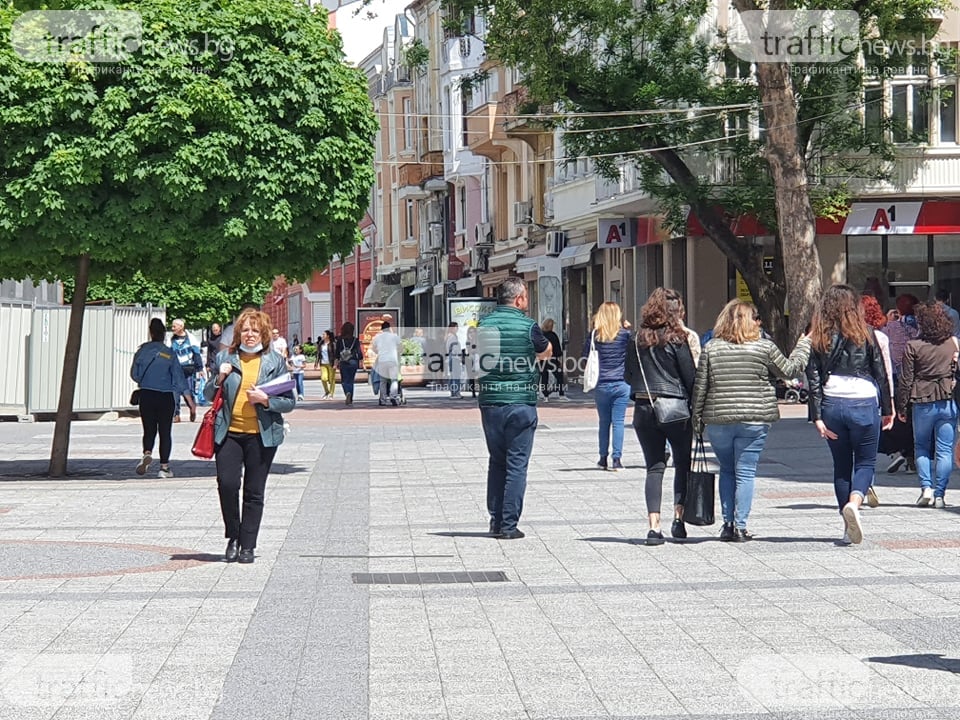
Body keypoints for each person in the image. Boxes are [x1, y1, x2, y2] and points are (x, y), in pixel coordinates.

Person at [692, 299, 811, 542]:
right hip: (755, 418)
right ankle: (741, 525)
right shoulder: (763, 347)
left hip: (718, 418)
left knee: (726, 469)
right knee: (745, 472)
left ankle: (727, 523)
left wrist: (697, 421)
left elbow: (700, 387)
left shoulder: (712, 348)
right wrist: (803, 345)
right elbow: (789, 370)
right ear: (753, 322)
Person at [204, 309, 295, 564]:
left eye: (255, 330)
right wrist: (219, 378)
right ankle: (233, 536)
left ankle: (248, 545)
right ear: (238, 333)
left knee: (254, 491)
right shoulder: (226, 357)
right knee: (228, 484)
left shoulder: (274, 361)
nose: (250, 334)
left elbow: (289, 401)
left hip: (262, 436)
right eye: (245, 330)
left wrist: (266, 400)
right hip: (229, 433)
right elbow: (208, 394)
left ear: (264, 334)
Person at [806, 285, 894, 545]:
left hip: (833, 402)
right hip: (864, 400)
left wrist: (817, 417)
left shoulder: (818, 336)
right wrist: (889, 410)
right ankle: (855, 502)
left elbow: (812, 379)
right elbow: (881, 373)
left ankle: (847, 529)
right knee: (865, 462)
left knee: (841, 466)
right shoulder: (866, 333)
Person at [478, 277, 551, 539]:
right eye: (526, 297)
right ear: (518, 299)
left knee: (497, 461)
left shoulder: (483, 325)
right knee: (517, 464)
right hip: (520, 402)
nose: (527, 302)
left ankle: (496, 520)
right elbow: (546, 352)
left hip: (491, 402)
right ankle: (509, 525)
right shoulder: (528, 326)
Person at [624, 288, 697, 545]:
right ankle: (678, 519)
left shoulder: (636, 339)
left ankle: (654, 528)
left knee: (654, 467)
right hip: (675, 408)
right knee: (682, 463)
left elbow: (628, 376)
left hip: (644, 408)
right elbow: (691, 378)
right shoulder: (677, 338)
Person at [896, 301, 958, 509]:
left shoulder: (913, 346)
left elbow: (905, 379)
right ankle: (940, 494)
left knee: (921, 446)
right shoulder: (952, 343)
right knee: (945, 449)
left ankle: (926, 488)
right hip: (947, 399)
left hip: (922, 399)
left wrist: (901, 406)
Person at [130, 318, 188, 479]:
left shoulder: (141, 351)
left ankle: (147, 452)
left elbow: (134, 374)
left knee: (148, 429)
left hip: (147, 394)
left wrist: (146, 379)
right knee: (165, 432)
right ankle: (164, 467)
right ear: (164, 334)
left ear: (151, 332)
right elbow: (178, 377)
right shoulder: (169, 353)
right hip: (165, 396)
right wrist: (190, 401)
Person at [581, 302, 632, 471]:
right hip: (621, 383)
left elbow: (584, 356)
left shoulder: (595, 335)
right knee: (618, 422)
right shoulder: (625, 335)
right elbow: (633, 352)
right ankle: (616, 460)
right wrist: (629, 330)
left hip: (601, 384)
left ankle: (602, 458)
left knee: (604, 422)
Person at [861, 294, 895, 508]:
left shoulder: (840, 336)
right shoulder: (880, 338)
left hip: (844, 396)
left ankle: (860, 485)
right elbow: (887, 372)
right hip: (872, 395)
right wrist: (889, 402)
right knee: (868, 445)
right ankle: (866, 481)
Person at [882, 294, 920, 473]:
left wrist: (889, 321)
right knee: (914, 420)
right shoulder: (919, 329)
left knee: (897, 418)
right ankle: (911, 456)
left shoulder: (891, 328)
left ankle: (899, 451)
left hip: (896, 378)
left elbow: (882, 347)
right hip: (917, 379)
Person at [170, 318, 201, 423]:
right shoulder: (171, 340)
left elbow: (197, 354)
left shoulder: (191, 339)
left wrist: (200, 368)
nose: (172, 328)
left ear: (181, 327)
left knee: (187, 391)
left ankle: (192, 407)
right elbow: (167, 354)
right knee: (175, 392)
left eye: (174, 326)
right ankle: (176, 414)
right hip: (175, 370)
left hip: (188, 369)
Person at [371, 321, 403, 405]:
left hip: (382, 360)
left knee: (383, 381)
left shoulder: (377, 337)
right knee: (394, 380)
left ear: (382, 329)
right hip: (393, 360)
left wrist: (379, 352)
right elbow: (400, 348)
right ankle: (394, 397)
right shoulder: (395, 336)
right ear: (389, 328)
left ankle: (383, 399)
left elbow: (373, 348)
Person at [335, 322, 362, 406]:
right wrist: (361, 361)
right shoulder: (355, 340)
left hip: (344, 362)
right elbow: (359, 352)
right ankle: (350, 398)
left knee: (344, 381)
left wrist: (335, 363)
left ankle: (347, 393)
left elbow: (337, 352)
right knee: (351, 380)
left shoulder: (340, 340)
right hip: (353, 361)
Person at [540, 318, 567, 401]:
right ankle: (561, 394)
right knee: (559, 376)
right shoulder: (553, 335)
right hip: (552, 359)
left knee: (544, 377)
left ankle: (545, 396)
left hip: (542, 359)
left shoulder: (540, 335)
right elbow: (557, 349)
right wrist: (560, 359)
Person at [445, 322, 463, 398]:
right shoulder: (452, 337)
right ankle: (456, 392)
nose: (457, 329)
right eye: (456, 327)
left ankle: (454, 392)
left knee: (453, 375)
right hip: (454, 357)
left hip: (453, 357)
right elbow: (452, 348)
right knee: (455, 375)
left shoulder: (451, 336)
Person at [317, 330, 336, 399]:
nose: (323, 336)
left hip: (331, 363)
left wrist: (335, 363)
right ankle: (326, 391)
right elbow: (318, 354)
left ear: (328, 336)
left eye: (324, 334)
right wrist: (316, 362)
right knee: (323, 378)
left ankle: (331, 393)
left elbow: (335, 354)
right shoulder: (321, 343)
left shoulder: (332, 344)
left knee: (332, 379)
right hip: (323, 363)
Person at [464, 325, 480, 398]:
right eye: (470, 332)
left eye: (473, 332)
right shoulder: (468, 340)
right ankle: (473, 392)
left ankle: (480, 390)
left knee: (478, 374)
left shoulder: (477, 340)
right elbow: (468, 350)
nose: (472, 333)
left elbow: (478, 349)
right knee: (471, 376)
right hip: (469, 359)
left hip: (477, 358)